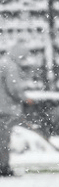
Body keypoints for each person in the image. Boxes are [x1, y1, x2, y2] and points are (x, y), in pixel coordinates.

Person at [0, 45, 28, 177]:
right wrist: (24, 98)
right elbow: (14, 88)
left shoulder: (2, 63)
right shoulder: (10, 66)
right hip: (5, 109)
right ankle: (3, 168)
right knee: (3, 140)